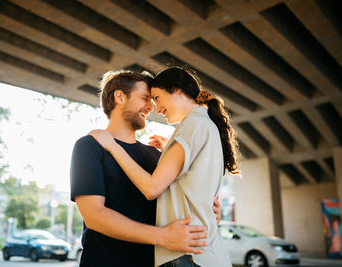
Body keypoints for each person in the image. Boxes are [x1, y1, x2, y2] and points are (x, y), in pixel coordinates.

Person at [89, 67, 239, 267]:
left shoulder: (192, 125)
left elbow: (151, 188)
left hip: (186, 255)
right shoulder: (205, 124)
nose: (156, 110)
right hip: (204, 252)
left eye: (157, 98)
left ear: (176, 90)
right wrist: (171, 146)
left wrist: (111, 145)